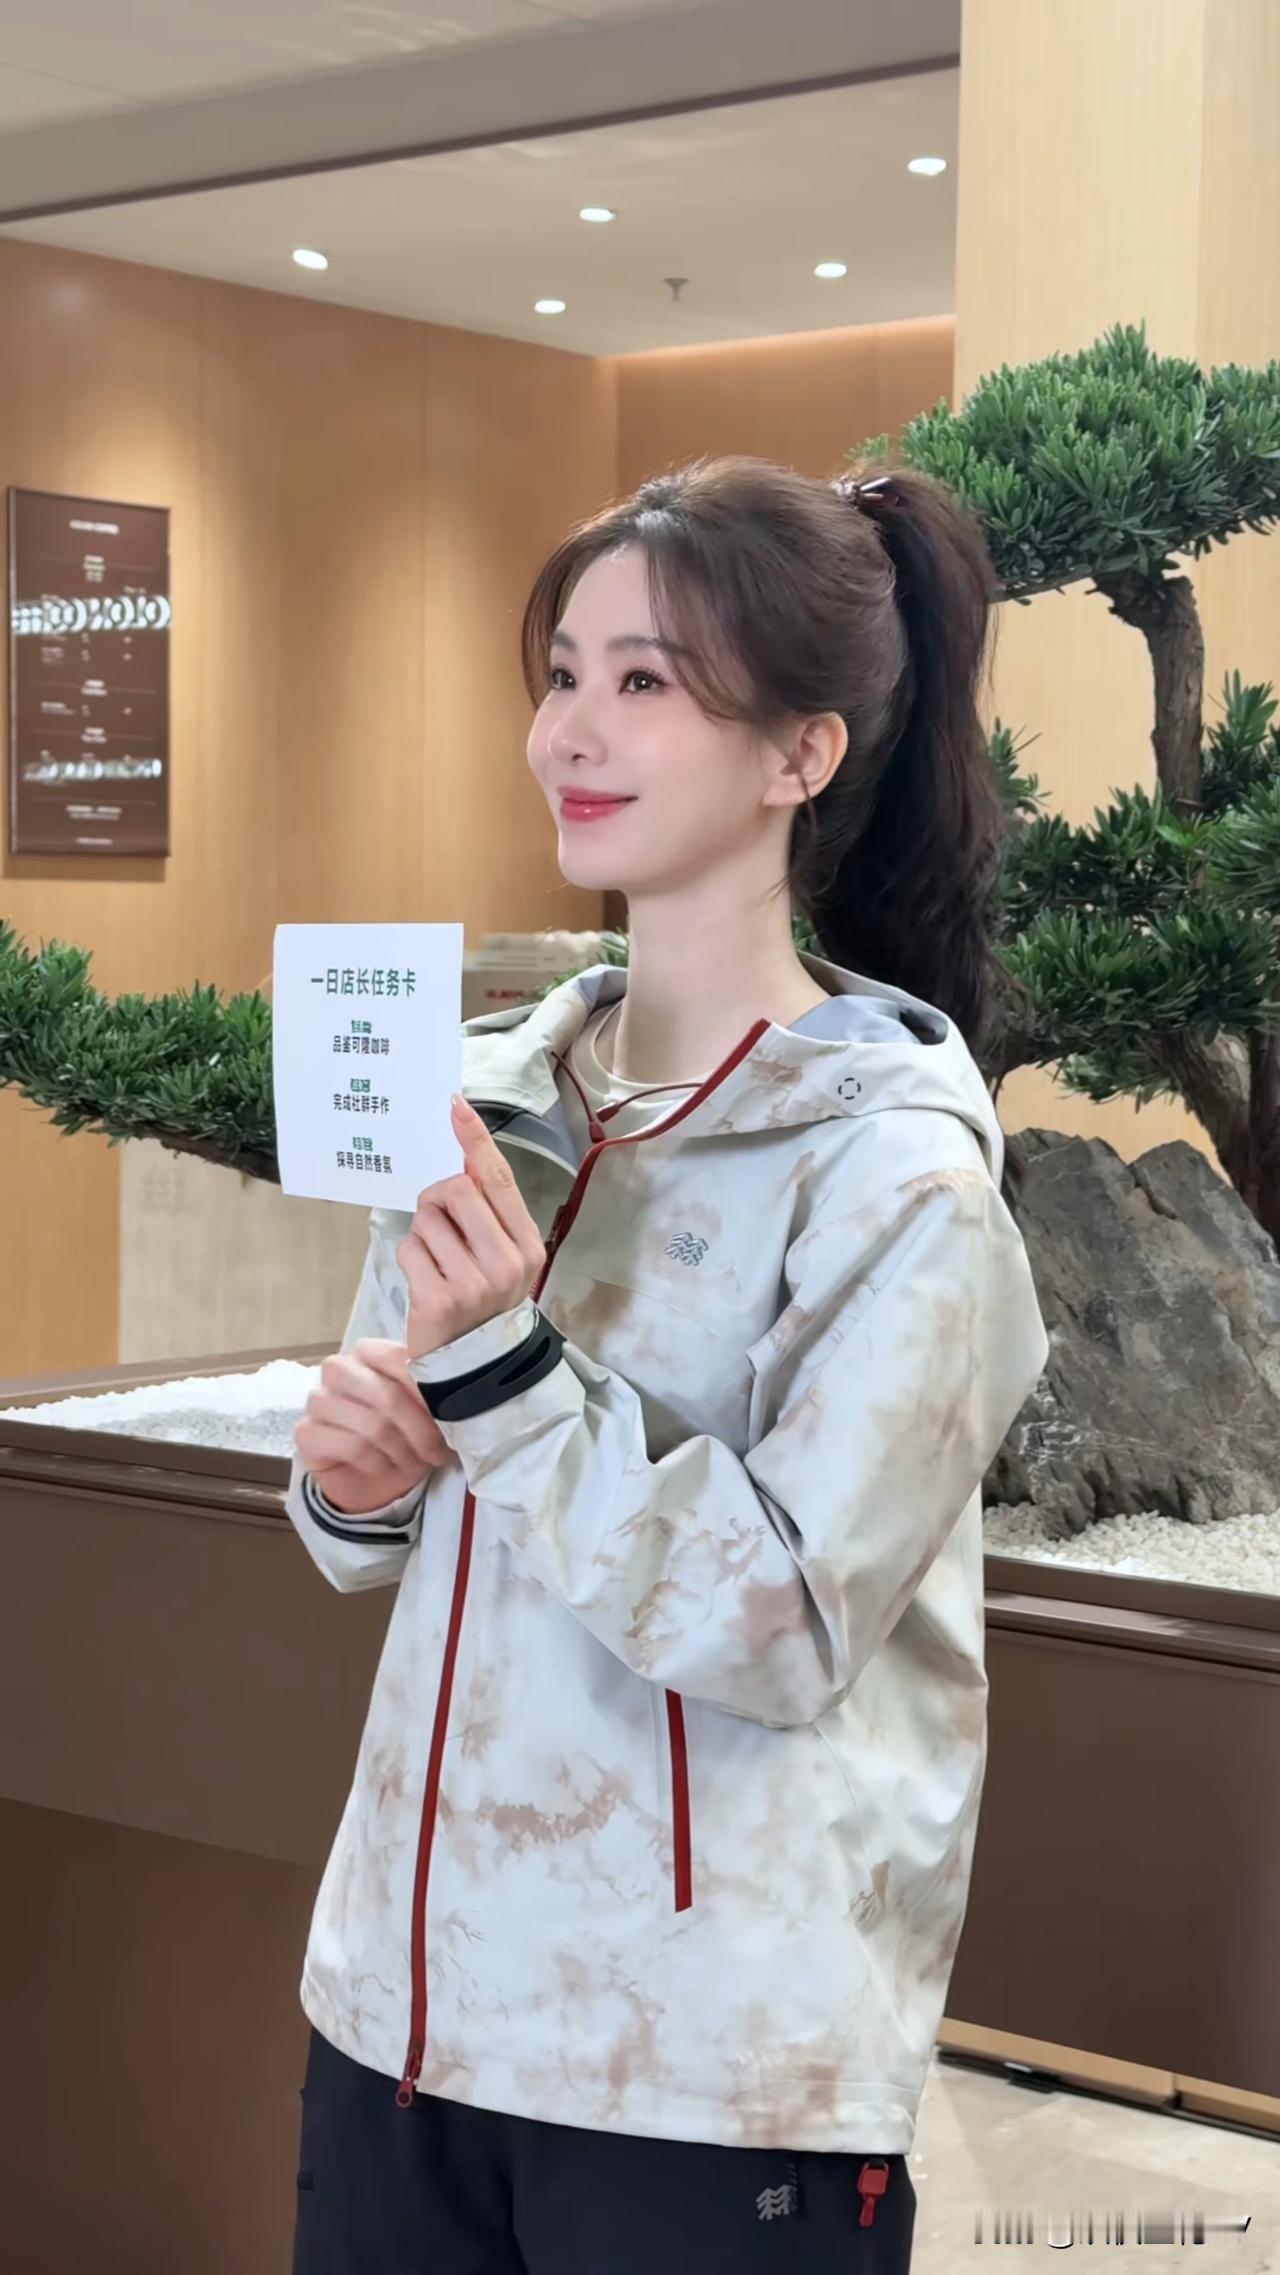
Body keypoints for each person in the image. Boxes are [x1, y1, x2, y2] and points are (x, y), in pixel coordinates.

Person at [284, 456, 1049, 2274]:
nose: (571, 731)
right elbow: (384, 1527)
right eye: (564, 673)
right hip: (402, 2012)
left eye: (646, 682)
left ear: (803, 754)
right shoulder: (486, 1100)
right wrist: (358, 1478)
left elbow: (779, 1625)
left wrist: (499, 1386)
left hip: (708, 2077)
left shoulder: (900, 1180)